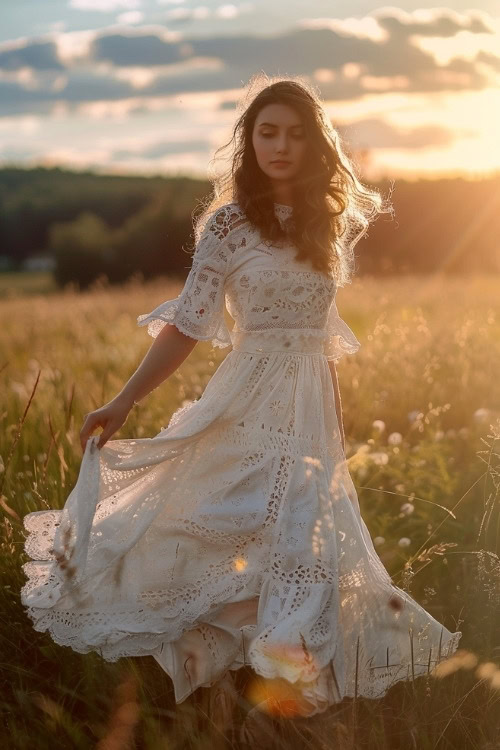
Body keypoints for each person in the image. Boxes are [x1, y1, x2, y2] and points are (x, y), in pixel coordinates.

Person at [21, 74, 461, 718]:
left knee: (301, 550)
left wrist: (335, 438)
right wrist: (123, 401)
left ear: (315, 145)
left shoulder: (325, 228)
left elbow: (322, 343)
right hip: (245, 404)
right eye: (267, 132)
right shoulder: (228, 226)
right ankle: (216, 693)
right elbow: (187, 327)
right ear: (249, 141)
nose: (280, 146)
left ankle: (274, 702)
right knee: (228, 534)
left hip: (308, 413)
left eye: (294, 133)